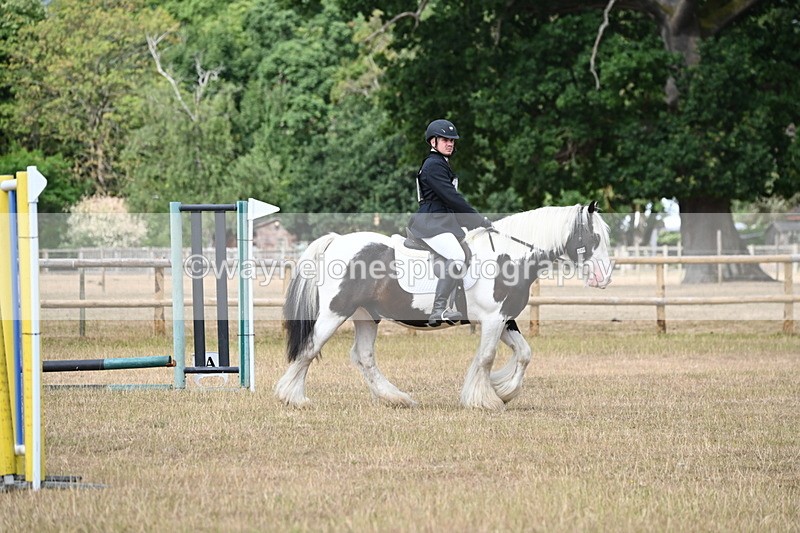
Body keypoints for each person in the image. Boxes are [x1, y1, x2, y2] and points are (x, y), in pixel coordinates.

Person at [408, 119, 493, 326]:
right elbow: (452, 199)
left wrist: (474, 223)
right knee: (456, 256)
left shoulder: (441, 164)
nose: (450, 143)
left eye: (452, 140)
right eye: (445, 139)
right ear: (433, 141)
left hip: (443, 221)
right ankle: (439, 310)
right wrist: (477, 219)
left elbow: (451, 204)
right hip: (432, 222)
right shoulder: (433, 165)